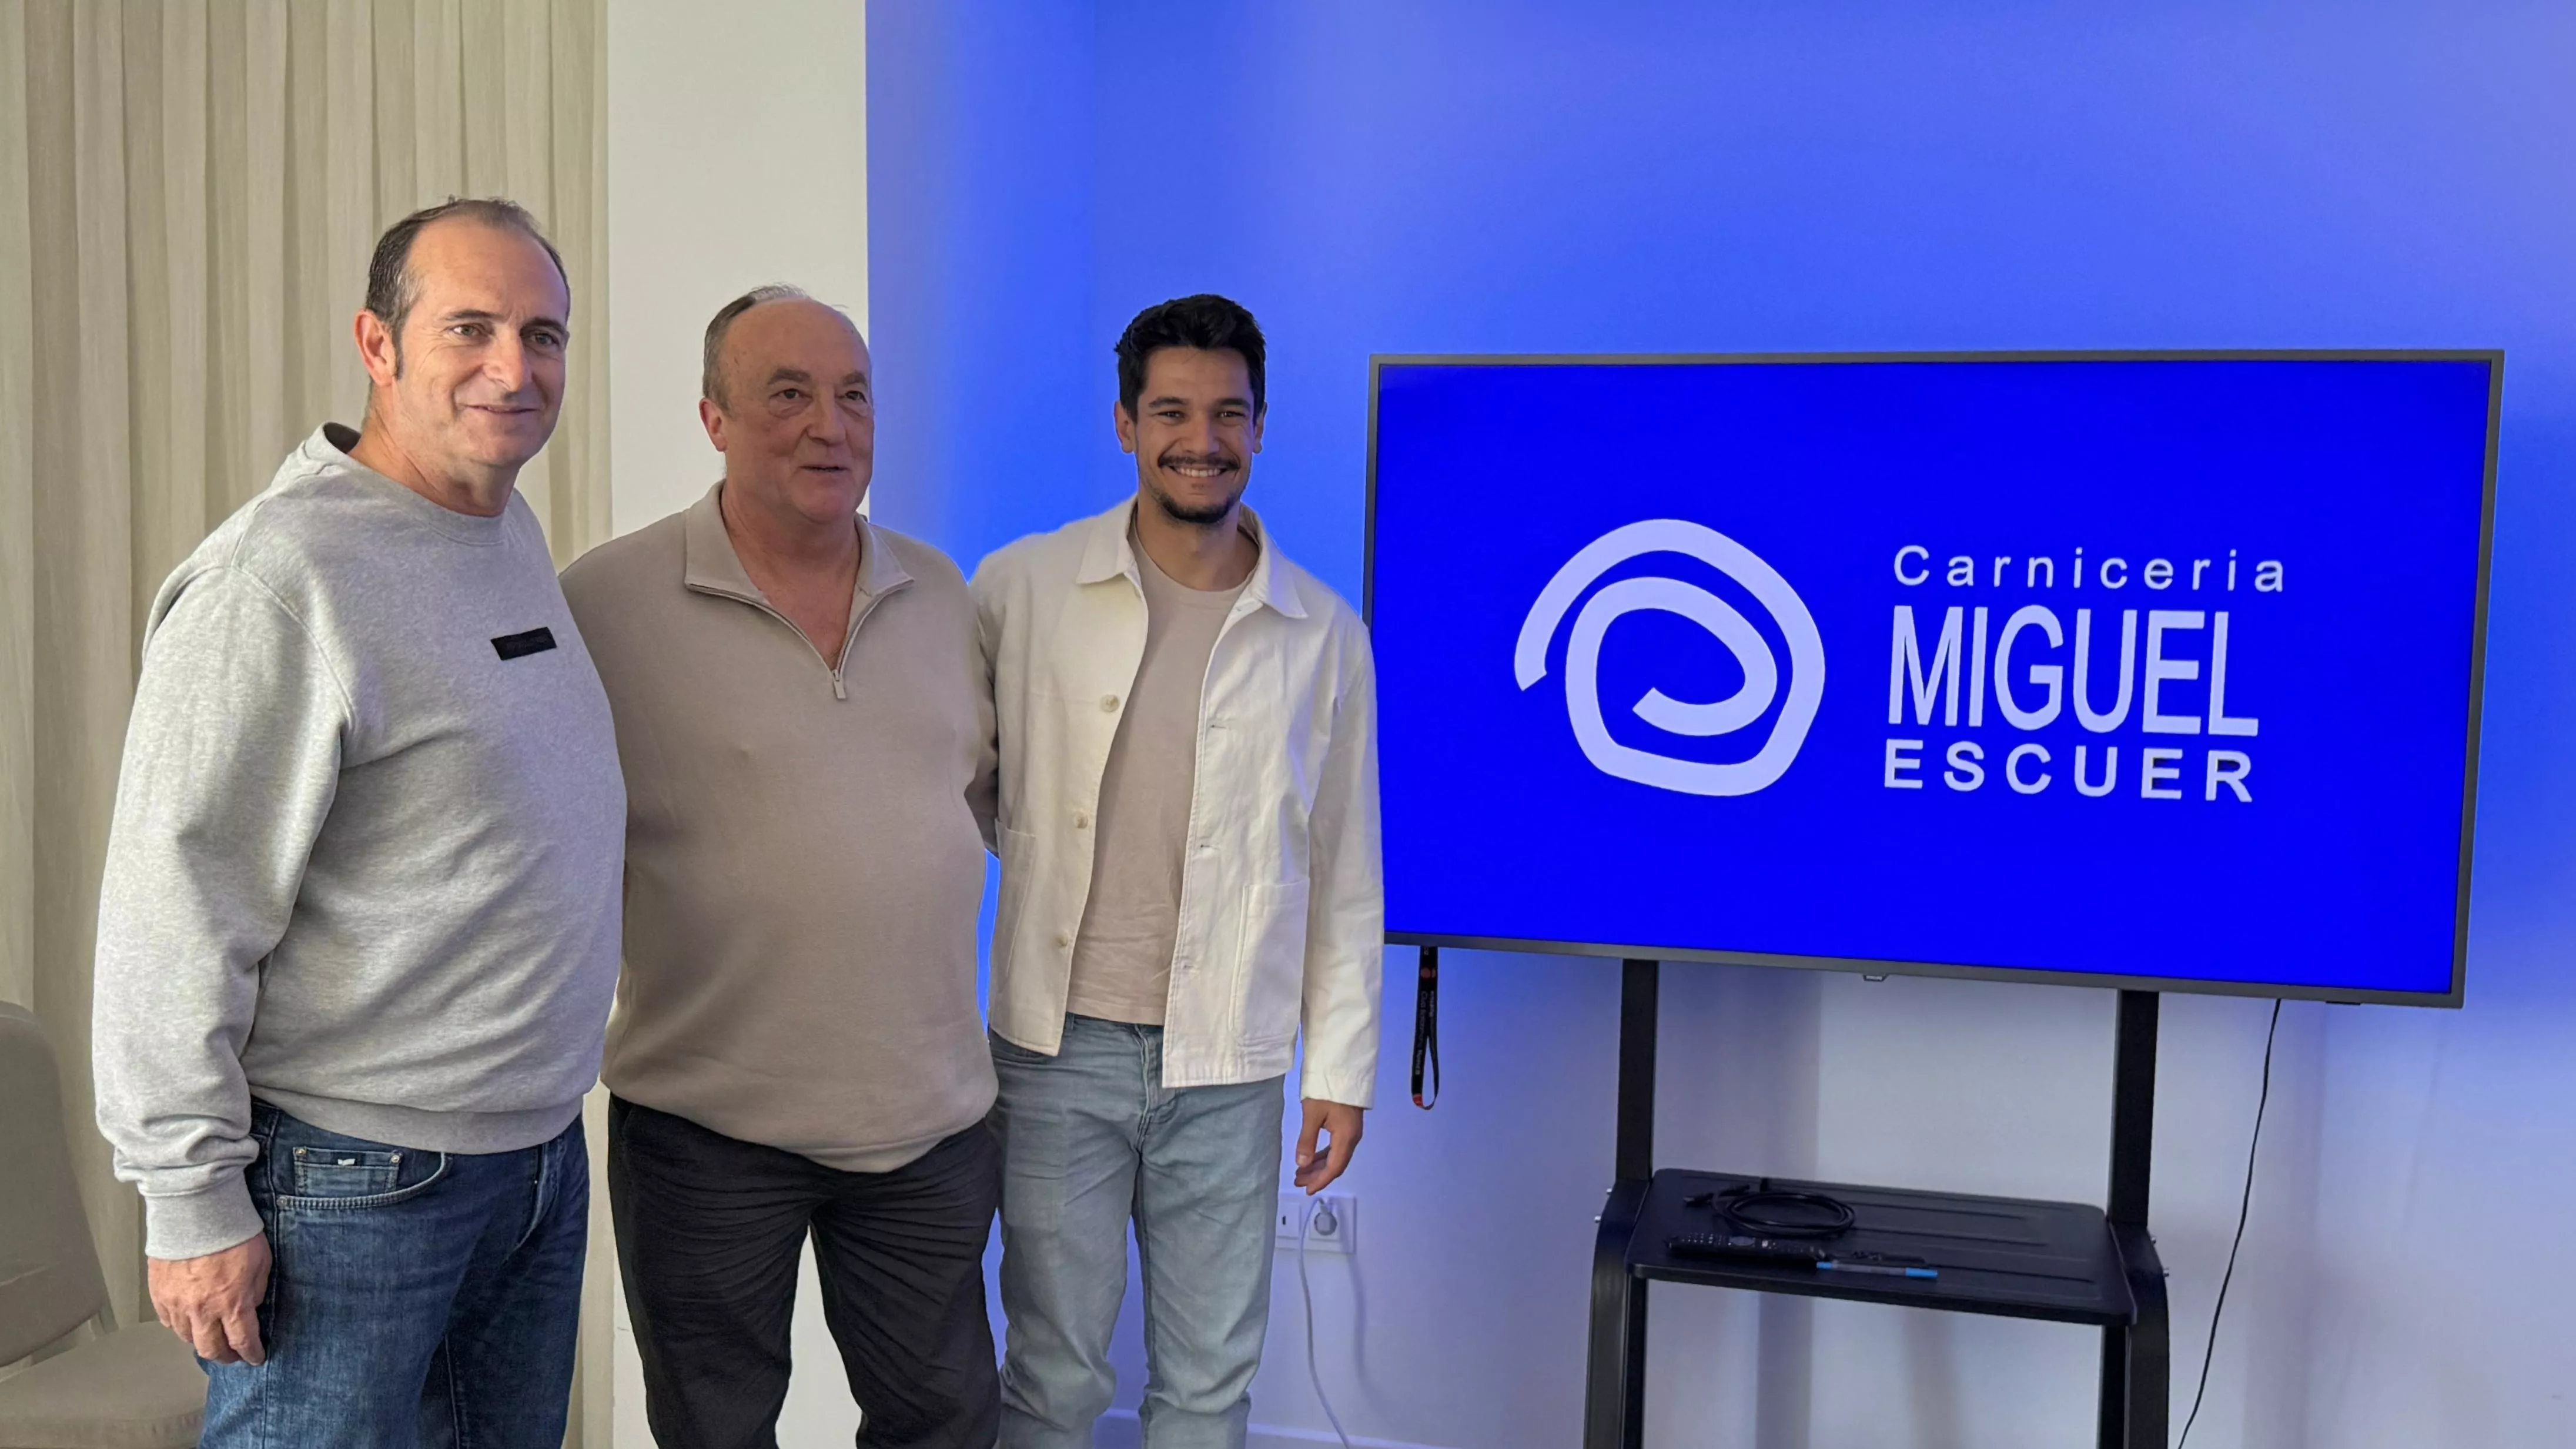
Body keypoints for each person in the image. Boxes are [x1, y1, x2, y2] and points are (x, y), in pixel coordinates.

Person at [89, 198, 625, 1447]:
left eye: (542, 334)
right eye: (471, 328)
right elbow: (173, 903)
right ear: (376, 345)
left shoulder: (494, 525)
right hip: (355, 1178)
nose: (514, 367)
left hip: (533, 1156)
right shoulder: (280, 578)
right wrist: (189, 1199)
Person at [560, 286, 1001, 1449]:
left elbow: (994, 807)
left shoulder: (944, 592)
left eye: (853, 396)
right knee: (715, 1428)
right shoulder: (603, 602)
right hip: (707, 1128)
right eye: (788, 395)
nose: (830, 425)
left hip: (928, 1124)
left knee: (948, 1422)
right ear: (714, 418)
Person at [972, 293, 1384, 1447]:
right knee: (1050, 1373)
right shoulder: (1022, 588)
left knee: (1207, 1384)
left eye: (1226, 412)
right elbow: (963, 783)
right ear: (1123, 423)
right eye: (1170, 410)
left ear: (1259, 428)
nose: (1198, 437)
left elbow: (1347, 867)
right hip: (1058, 1049)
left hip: (1227, 1059)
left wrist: (1339, 1071)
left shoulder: (1321, 631)